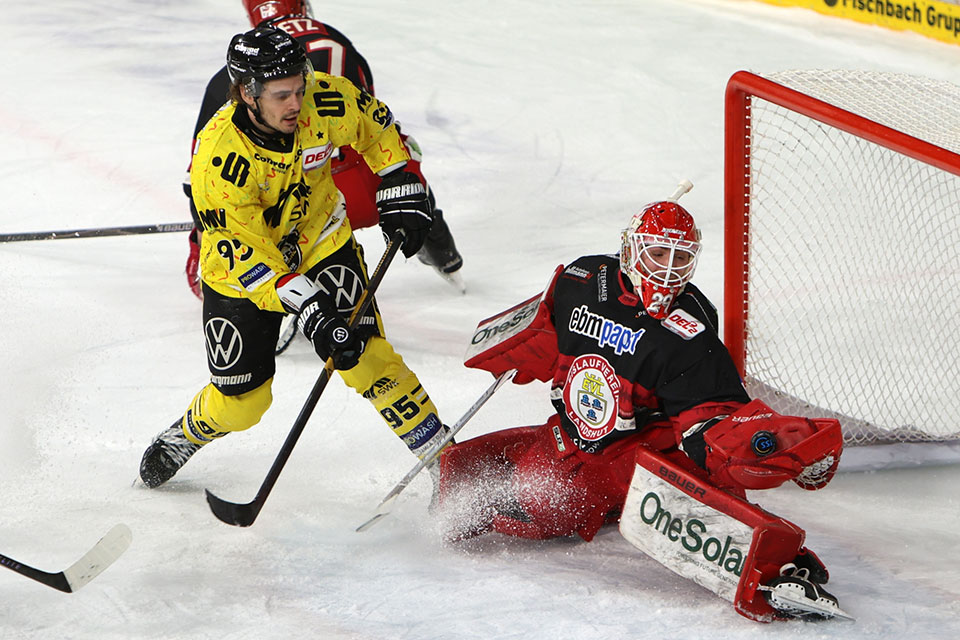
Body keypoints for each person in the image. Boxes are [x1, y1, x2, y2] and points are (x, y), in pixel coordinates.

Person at [435, 188, 849, 622]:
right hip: (573, 448)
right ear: (630, 248)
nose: (667, 271)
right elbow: (545, 324)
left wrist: (770, 446)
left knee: (700, 506)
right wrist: (518, 346)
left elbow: (712, 418)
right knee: (533, 501)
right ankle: (595, 502)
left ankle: (778, 568)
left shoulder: (690, 333)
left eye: (680, 258)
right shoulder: (581, 279)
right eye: (656, 254)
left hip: (644, 457)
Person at [140, 25, 448, 488]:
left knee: (367, 357)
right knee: (244, 405)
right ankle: (186, 433)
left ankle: (443, 459)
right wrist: (309, 306)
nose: (296, 104)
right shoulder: (218, 159)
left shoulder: (321, 101)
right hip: (243, 273)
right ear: (247, 92)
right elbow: (246, 256)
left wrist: (399, 177)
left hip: (320, 236)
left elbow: (375, 125)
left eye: (299, 89)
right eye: (281, 95)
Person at [183, 0, 463, 299]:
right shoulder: (339, 42)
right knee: (398, 162)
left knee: (236, 197)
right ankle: (443, 252)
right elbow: (375, 128)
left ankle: (299, 296)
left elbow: (198, 181)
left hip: (309, 210)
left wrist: (202, 253)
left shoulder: (244, 77)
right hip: (373, 196)